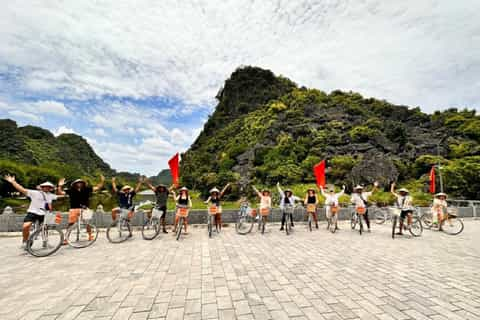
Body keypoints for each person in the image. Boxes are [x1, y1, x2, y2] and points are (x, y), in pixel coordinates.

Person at [3, 175, 59, 249]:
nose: (47, 188)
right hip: (33, 212)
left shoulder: (51, 195)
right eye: (45, 186)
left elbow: (61, 196)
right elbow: (21, 189)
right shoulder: (35, 193)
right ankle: (25, 241)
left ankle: (45, 242)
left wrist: (60, 186)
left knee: (45, 228)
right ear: (42, 187)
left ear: (50, 188)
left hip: (44, 213)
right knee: (26, 226)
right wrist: (13, 182)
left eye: (49, 187)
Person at [57, 175, 105, 242]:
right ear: (75, 184)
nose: (79, 184)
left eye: (81, 182)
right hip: (74, 208)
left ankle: (90, 235)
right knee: (71, 223)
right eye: (78, 183)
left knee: (87, 222)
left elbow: (98, 187)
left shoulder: (87, 189)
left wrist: (102, 181)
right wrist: (59, 186)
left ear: (83, 184)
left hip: (85, 208)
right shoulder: (71, 190)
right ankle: (66, 239)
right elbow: (60, 192)